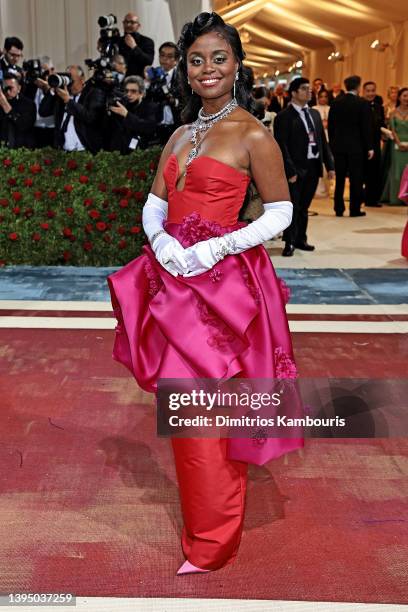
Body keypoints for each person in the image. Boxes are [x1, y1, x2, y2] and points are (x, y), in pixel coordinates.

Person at [107, 11, 303, 574]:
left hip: (224, 292)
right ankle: (206, 530)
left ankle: (213, 543)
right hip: (174, 285)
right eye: (197, 60)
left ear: (236, 65)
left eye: (219, 58)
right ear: (186, 70)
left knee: (210, 415)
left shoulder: (251, 132)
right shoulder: (178, 134)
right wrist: (160, 240)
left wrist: (214, 249)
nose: (208, 68)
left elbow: (282, 214)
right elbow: (156, 202)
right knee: (185, 410)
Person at [274, 77, 334, 256]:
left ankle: (301, 238)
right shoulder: (284, 116)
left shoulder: (314, 114)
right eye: (304, 89)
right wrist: (290, 170)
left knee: (305, 206)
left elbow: (323, 141)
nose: (309, 91)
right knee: (293, 206)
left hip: (313, 166)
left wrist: (329, 165)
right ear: (293, 93)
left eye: (310, 89)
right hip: (295, 169)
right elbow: (281, 146)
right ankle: (289, 241)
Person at [328, 75, 374, 217]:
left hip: (339, 146)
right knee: (356, 179)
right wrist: (370, 147)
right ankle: (355, 209)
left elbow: (331, 126)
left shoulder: (336, 102)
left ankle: (338, 208)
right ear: (358, 86)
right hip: (356, 147)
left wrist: (332, 144)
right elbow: (366, 127)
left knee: (340, 178)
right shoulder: (362, 103)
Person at [39, 65, 105, 153]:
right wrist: (52, 90)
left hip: (85, 150)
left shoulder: (94, 93)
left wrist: (69, 101)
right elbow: (43, 111)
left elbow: (90, 117)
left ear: (82, 79)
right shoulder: (62, 95)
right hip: (63, 151)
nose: (68, 85)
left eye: (71, 81)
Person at [107, 75, 158, 153]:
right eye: (126, 91)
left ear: (141, 93)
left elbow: (148, 127)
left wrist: (127, 115)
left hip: (141, 152)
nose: (129, 94)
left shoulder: (150, 107)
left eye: (133, 91)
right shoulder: (122, 105)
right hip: (119, 153)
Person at [145, 41, 181, 144]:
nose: (165, 59)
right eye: (162, 55)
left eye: (170, 56)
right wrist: (147, 83)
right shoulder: (153, 74)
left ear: (177, 60)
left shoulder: (182, 77)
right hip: (157, 123)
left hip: (176, 122)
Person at [381, 87, 408, 205]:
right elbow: (392, 130)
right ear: (399, 97)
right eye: (404, 96)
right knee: (397, 171)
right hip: (397, 145)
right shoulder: (393, 112)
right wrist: (399, 143)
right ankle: (396, 197)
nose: (407, 98)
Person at [362, 81, 385, 207]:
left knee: (374, 172)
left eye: (373, 90)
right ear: (363, 91)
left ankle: (372, 199)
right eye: (368, 91)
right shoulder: (359, 105)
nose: (371, 93)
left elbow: (381, 125)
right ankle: (360, 197)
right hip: (362, 144)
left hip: (376, 143)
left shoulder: (378, 107)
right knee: (362, 173)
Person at [0, 74, 36, 148]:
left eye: (11, 88)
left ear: (19, 88)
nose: (8, 91)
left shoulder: (28, 104)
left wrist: (6, 106)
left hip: (21, 149)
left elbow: (24, 125)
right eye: (6, 88)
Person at [118, 13, 154, 77]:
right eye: (126, 22)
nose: (128, 25)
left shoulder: (147, 41)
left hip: (138, 81)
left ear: (138, 26)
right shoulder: (118, 41)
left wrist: (134, 47)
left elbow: (149, 61)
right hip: (119, 81)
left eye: (132, 22)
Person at [313, 89, 331, 197]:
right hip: (318, 139)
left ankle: (326, 189)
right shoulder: (314, 109)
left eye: (325, 96)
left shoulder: (330, 109)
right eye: (321, 96)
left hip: (329, 138)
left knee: (328, 166)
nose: (323, 99)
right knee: (319, 165)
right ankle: (317, 189)